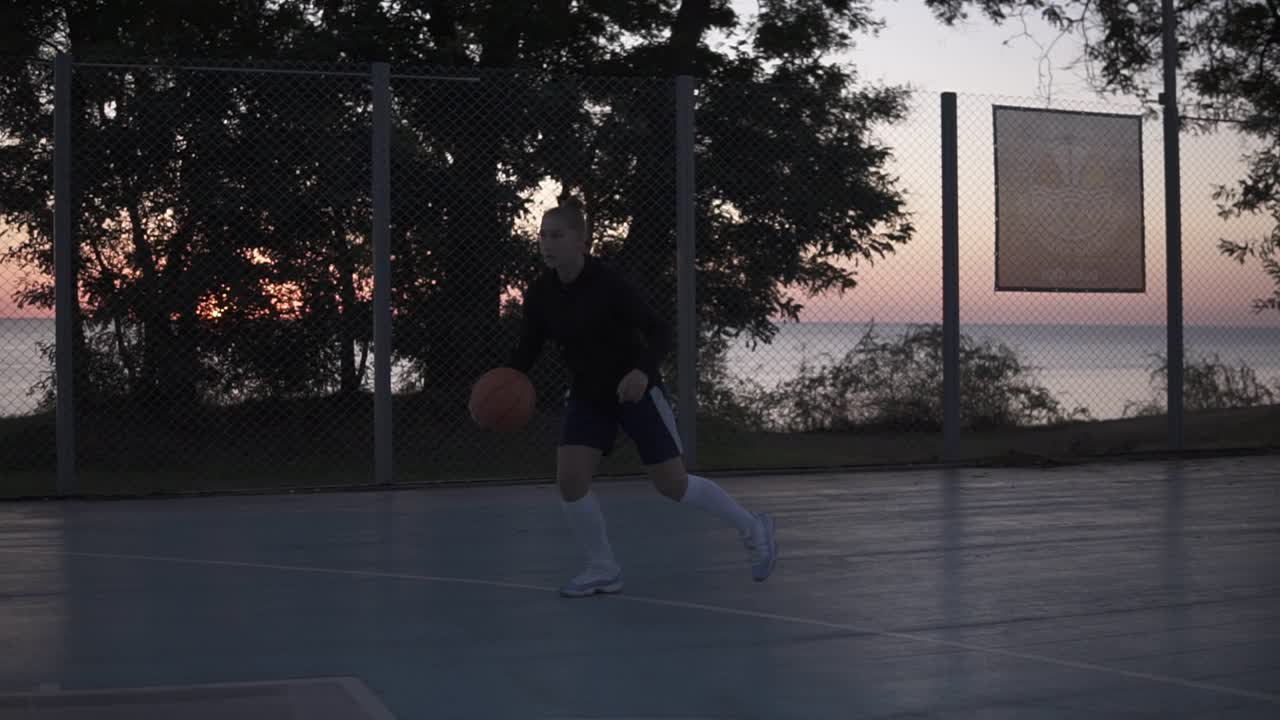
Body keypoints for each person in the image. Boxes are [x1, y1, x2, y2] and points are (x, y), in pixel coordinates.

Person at [508, 196, 777, 598]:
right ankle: (603, 568)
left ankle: (752, 527)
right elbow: (528, 349)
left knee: (674, 485)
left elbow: (660, 331)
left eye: (557, 235)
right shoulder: (541, 294)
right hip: (588, 395)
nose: (547, 243)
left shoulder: (609, 284)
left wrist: (640, 372)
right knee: (570, 479)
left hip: (635, 392)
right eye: (543, 235)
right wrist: (503, 383)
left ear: (580, 240)